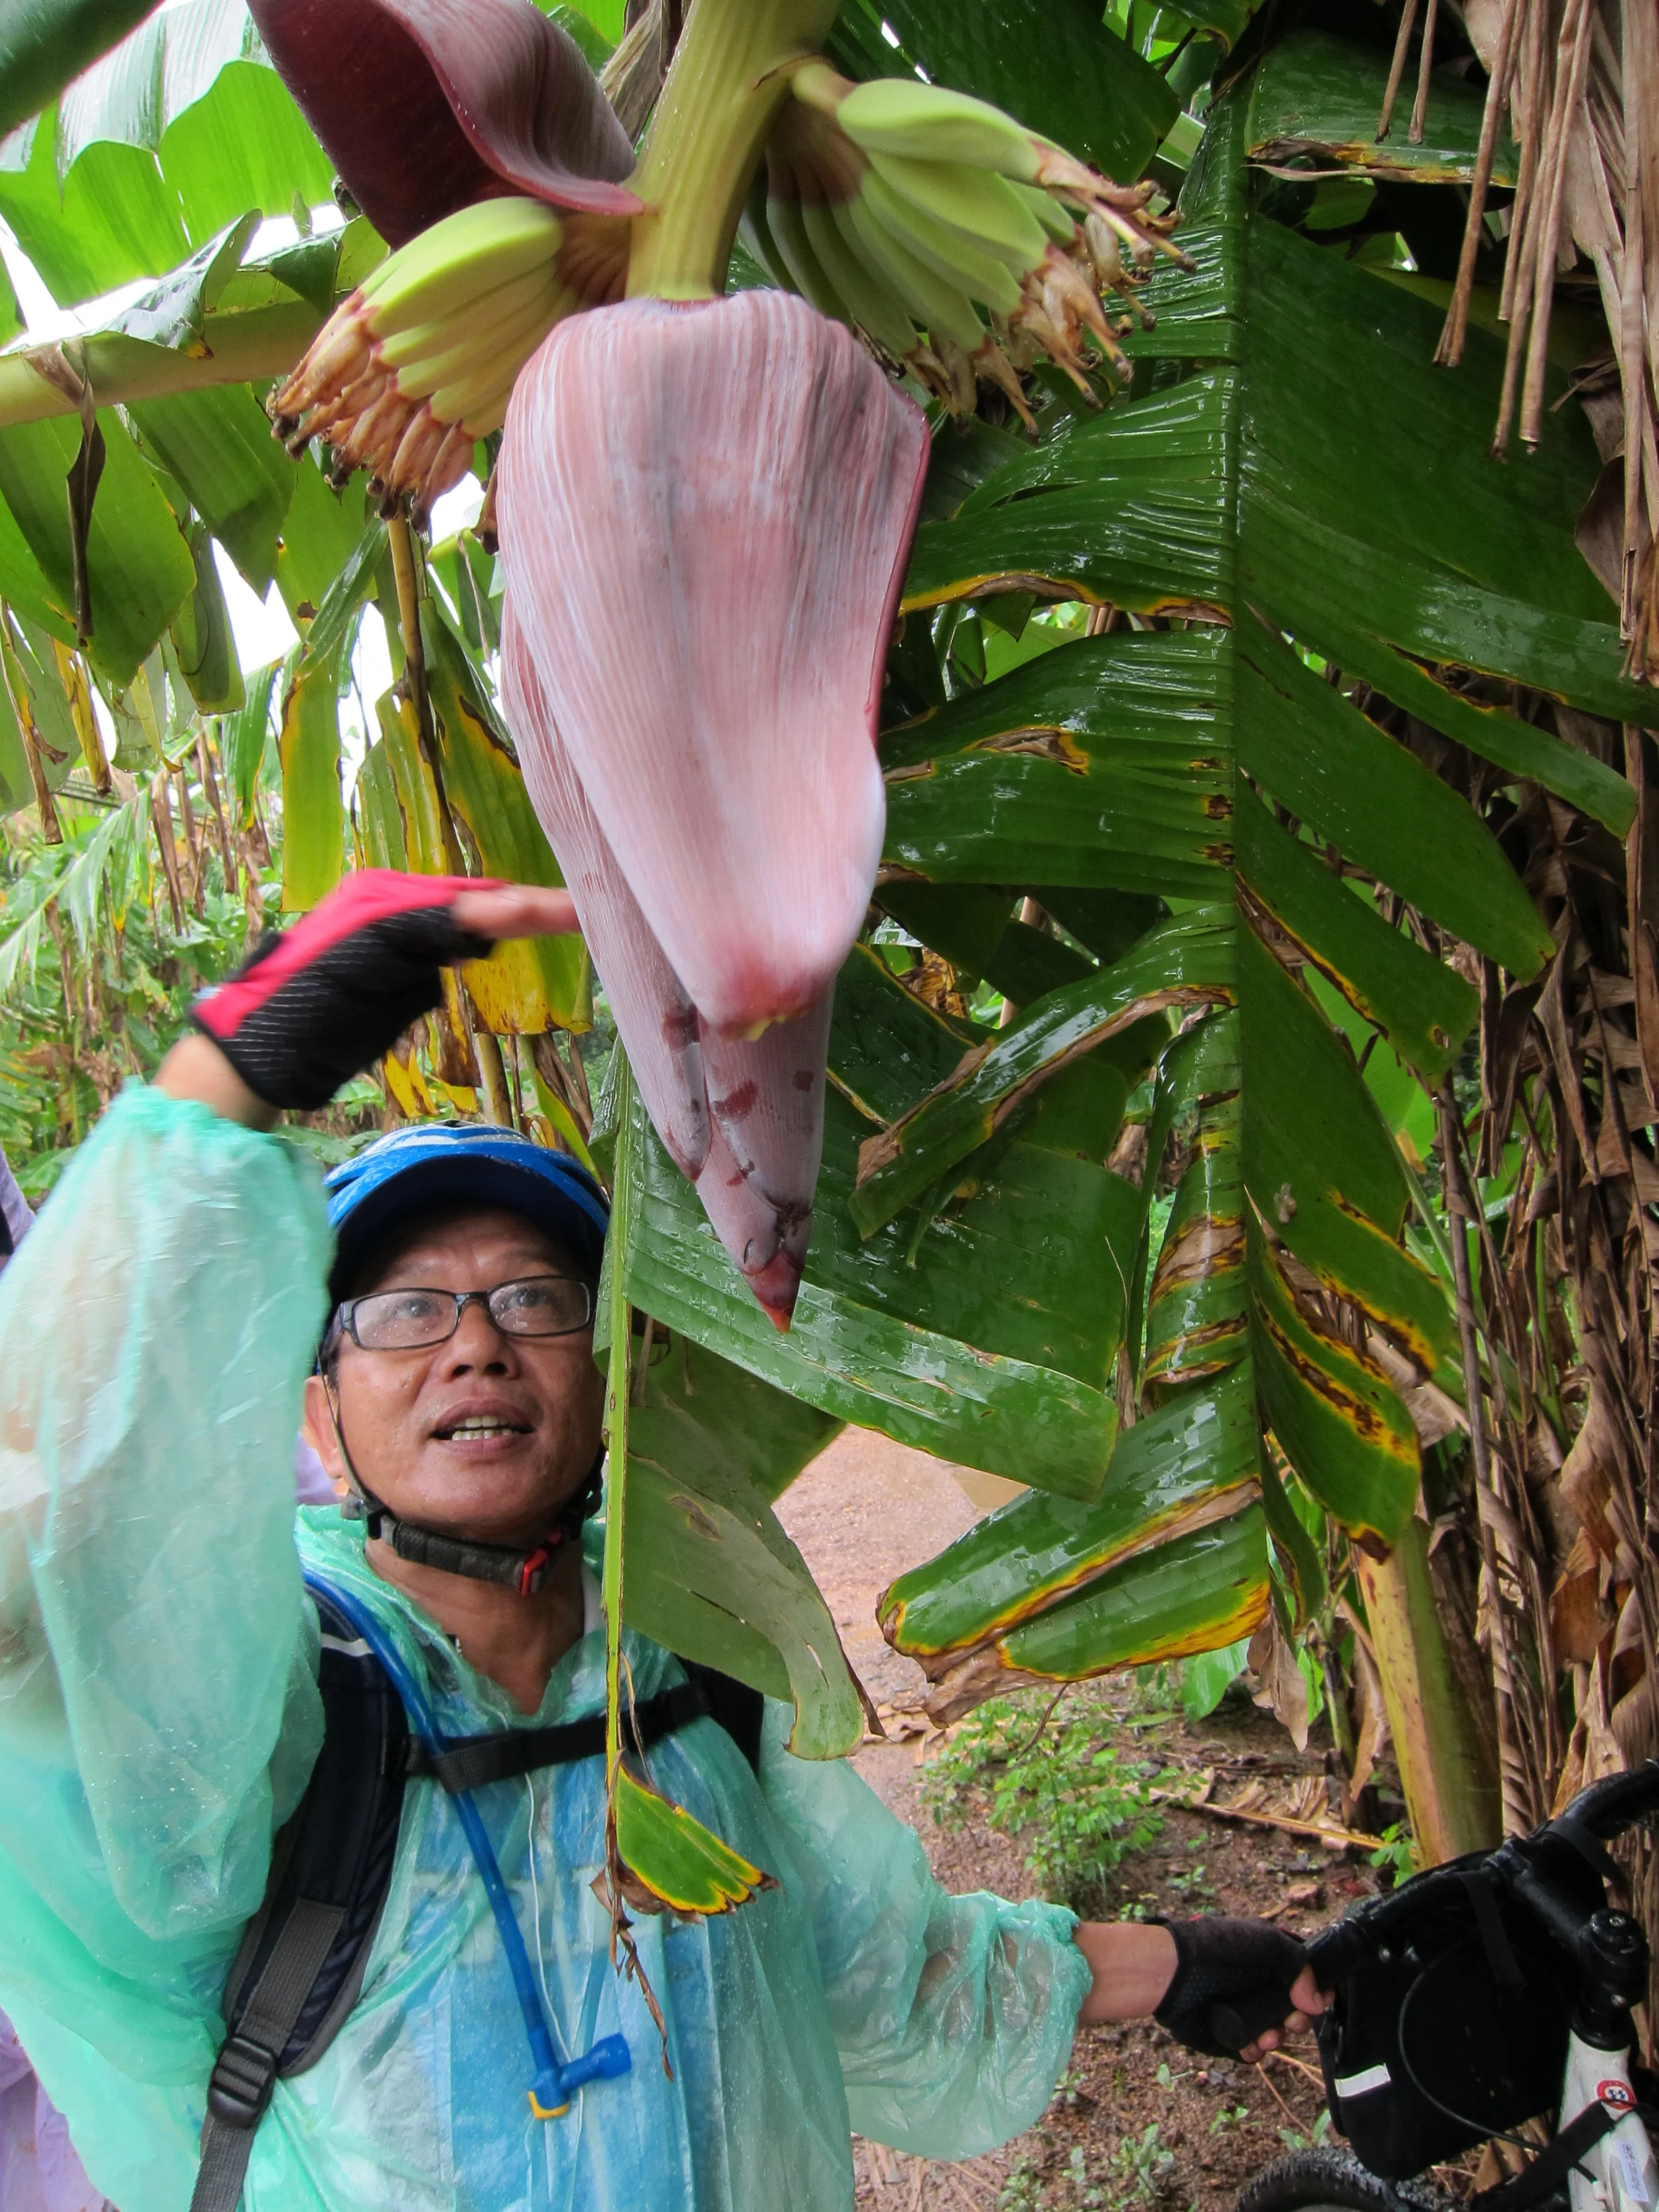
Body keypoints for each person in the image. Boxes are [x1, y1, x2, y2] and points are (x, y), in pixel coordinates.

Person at [0, 870, 1322, 2212]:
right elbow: (56, 1566)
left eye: (534, 1300)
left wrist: (1183, 1960)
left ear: (609, 1379)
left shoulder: (693, 1686)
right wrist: (221, 1079)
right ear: (319, 1419)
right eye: (405, 1311)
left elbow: (889, 1974)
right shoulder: (277, 1724)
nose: (474, 1345)